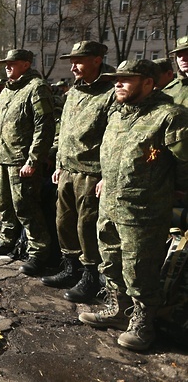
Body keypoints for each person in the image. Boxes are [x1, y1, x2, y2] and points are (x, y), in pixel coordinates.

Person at [78, 59, 188, 351]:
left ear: (148, 83)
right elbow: (114, 154)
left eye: (127, 79)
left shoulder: (170, 116)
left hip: (144, 210)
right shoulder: (118, 114)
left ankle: (143, 324)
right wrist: (104, 178)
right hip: (111, 204)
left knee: (140, 269)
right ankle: (118, 310)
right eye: (117, 78)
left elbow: (184, 163)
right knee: (111, 261)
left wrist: (176, 191)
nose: (118, 83)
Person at [41, 41, 114, 303]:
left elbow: (113, 137)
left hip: (92, 172)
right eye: (72, 61)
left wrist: (107, 175)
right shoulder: (75, 92)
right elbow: (65, 131)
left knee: (87, 226)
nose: (73, 66)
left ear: (97, 59)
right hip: (69, 169)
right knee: (64, 221)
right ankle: (71, 267)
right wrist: (59, 163)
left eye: (79, 60)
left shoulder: (111, 92)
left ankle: (91, 275)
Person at [0, 49, 55, 276]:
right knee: (4, 203)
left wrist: (33, 160)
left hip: (21, 161)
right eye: (6, 63)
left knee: (26, 207)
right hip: (3, 158)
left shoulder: (36, 88)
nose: (7, 66)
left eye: (12, 63)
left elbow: (44, 128)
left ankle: (39, 252)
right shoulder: (7, 91)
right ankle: (7, 239)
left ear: (26, 64)